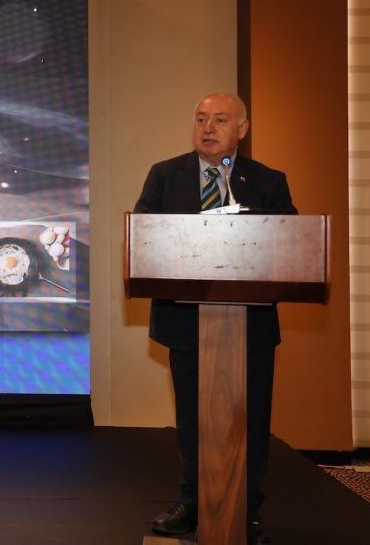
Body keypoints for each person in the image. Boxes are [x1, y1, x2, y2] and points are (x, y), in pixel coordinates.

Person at [134, 93, 296, 542]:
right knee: (192, 416)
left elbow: (291, 244)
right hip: (185, 321)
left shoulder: (267, 181)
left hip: (251, 324)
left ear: (241, 129)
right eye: (201, 119)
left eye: (220, 120)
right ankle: (192, 500)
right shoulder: (165, 175)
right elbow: (143, 236)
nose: (208, 128)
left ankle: (246, 507)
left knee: (252, 419)